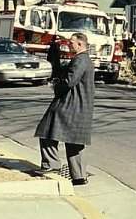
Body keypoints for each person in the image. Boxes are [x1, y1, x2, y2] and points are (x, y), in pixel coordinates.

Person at [34, 33, 96, 186]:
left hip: (70, 104)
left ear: (80, 44)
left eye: (72, 43)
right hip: (80, 106)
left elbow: (69, 81)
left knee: (47, 131)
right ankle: (79, 176)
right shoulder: (85, 60)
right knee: (75, 141)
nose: (69, 45)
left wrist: (56, 86)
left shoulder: (80, 60)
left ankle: (51, 165)